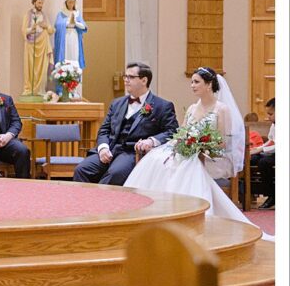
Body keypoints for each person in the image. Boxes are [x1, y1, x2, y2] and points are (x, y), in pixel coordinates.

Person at [124, 67, 272, 240]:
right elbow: (182, 133)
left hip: (214, 157)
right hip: (191, 150)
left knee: (189, 163)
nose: (192, 86)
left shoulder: (221, 109)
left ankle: (187, 215)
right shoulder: (192, 108)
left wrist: (200, 146)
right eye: (191, 82)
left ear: (208, 85)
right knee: (157, 158)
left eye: (196, 82)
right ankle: (155, 211)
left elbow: (222, 143)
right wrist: (181, 144)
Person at [72, 62, 178, 186]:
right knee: (82, 170)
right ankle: (82, 204)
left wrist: (151, 141)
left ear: (144, 80)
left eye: (131, 77)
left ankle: (101, 203)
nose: (126, 80)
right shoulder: (116, 103)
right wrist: (103, 148)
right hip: (110, 148)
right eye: (125, 76)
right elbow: (104, 130)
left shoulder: (162, 106)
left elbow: (172, 131)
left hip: (131, 153)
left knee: (115, 174)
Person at [52, 0, 88, 98]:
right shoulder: (61, 13)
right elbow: (58, 26)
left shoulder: (77, 13)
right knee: (64, 60)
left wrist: (75, 22)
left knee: (74, 60)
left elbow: (84, 27)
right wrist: (68, 23)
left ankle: (73, 88)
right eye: (69, 2)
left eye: (73, 2)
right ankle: (62, 89)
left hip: (74, 37)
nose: (71, 4)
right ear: (66, 3)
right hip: (65, 38)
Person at [21, 0, 54, 96]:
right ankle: (29, 90)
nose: (41, 5)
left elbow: (51, 30)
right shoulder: (28, 15)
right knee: (30, 68)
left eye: (42, 3)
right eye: (39, 2)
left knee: (43, 69)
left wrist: (46, 26)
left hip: (43, 45)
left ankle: (40, 90)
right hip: (31, 45)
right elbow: (23, 30)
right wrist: (32, 29)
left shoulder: (44, 16)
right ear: (34, 2)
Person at [250, 97, 275, 209]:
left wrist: (261, 150)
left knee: (264, 162)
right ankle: (249, 191)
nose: (268, 117)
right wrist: (257, 149)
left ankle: (272, 195)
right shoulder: (274, 124)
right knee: (253, 158)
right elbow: (271, 140)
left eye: (271, 114)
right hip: (273, 152)